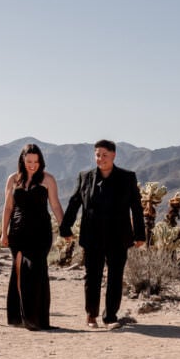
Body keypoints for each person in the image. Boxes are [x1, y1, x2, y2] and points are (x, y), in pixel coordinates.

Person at [60, 139, 145, 329]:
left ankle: (110, 317)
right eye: (97, 155)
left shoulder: (127, 177)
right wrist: (65, 228)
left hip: (119, 237)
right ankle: (91, 315)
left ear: (114, 155)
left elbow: (136, 208)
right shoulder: (85, 177)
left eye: (104, 155)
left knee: (115, 277)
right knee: (92, 277)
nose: (100, 158)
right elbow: (74, 203)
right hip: (92, 236)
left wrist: (140, 234)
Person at [1, 143, 65, 330]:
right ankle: (21, 317)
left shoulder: (48, 179)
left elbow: (55, 205)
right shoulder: (13, 179)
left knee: (37, 272)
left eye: (36, 161)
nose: (32, 165)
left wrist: (64, 228)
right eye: (29, 161)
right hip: (18, 231)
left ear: (40, 161)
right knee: (19, 271)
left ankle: (36, 319)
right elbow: (8, 207)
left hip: (40, 232)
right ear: (22, 160)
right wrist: (3, 232)